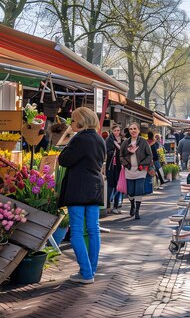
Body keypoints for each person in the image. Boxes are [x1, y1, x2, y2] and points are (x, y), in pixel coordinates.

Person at [57, 107, 106, 284]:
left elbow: (63, 160)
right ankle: (90, 270)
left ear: (81, 121)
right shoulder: (100, 139)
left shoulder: (79, 139)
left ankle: (86, 273)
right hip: (95, 187)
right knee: (94, 230)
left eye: (72, 120)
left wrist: (70, 138)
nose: (70, 123)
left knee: (77, 231)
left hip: (78, 188)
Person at [120, 122, 153, 220]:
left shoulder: (143, 142)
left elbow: (149, 155)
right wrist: (126, 164)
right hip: (129, 170)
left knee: (139, 190)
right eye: (131, 129)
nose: (133, 131)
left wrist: (142, 165)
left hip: (140, 170)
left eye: (135, 129)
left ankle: (137, 210)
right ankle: (132, 205)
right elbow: (121, 155)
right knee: (130, 191)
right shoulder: (126, 142)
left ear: (138, 130)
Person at [105, 124, 124, 214]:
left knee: (119, 186)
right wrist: (115, 150)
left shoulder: (123, 140)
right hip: (111, 166)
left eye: (118, 130)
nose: (117, 132)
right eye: (115, 130)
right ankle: (108, 205)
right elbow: (107, 152)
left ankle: (116, 206)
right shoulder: (109, 140)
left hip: (120, 166)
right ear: (112, 131)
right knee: (111, 186)